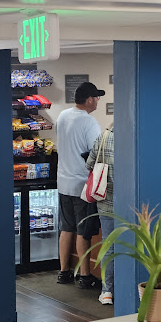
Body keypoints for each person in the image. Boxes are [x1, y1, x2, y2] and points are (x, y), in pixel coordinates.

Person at [56, 81, 105, 289]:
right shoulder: (89, 122)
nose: (98, 101)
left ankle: (64, 272)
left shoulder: (62, 116)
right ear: (89, 99)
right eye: (97, 97)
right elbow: (97, 151)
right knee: (83, 231)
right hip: (82, 184)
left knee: (66, 228)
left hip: (63, 182)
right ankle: (85, 276)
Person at [86, 126, 114, 304]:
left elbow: (89, 164)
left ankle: (107, 291)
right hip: (130, 205)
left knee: (109, 246)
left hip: (105, 201)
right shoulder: (136, 138)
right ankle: (128, 288)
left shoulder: (103, 137)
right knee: (130, 247)